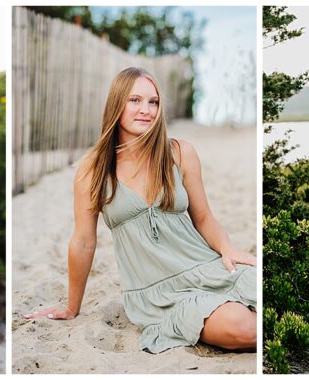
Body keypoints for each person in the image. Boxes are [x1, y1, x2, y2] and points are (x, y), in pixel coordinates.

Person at [25, 67, 256, 354]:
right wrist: (72, 307)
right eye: (135, 100)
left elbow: (204, 217)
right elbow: (83, 240)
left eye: (153, 102)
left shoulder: (179, 152)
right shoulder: (93, 170)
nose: (146, 110)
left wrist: (228, 249)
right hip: (159, 293)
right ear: (116, 105)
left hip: (206, 267)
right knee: (244, 328)